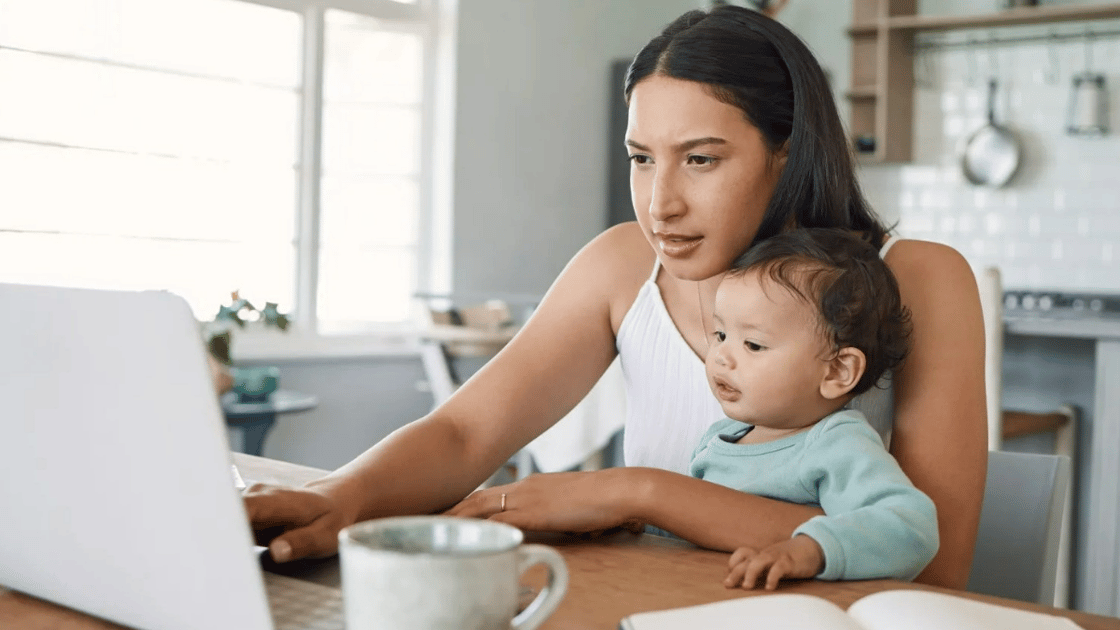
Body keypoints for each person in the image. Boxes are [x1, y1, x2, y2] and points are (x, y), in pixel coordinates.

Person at [244, 5, 987, 589]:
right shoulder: (620, 264)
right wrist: (341, 498)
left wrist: (639, 494)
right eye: (641, 159)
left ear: (787, 152)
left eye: (700, 160)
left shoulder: (917, 277)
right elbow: (465, 436)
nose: (659, 204)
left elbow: (937, 560)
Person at [686, 228, 937, 591]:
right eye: (721, 335)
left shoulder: (836, 445)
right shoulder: (717, 441)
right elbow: (692, 531)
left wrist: (809, 550)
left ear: (837, 371)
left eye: (753, 344)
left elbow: (910, 527)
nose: (721, 357)